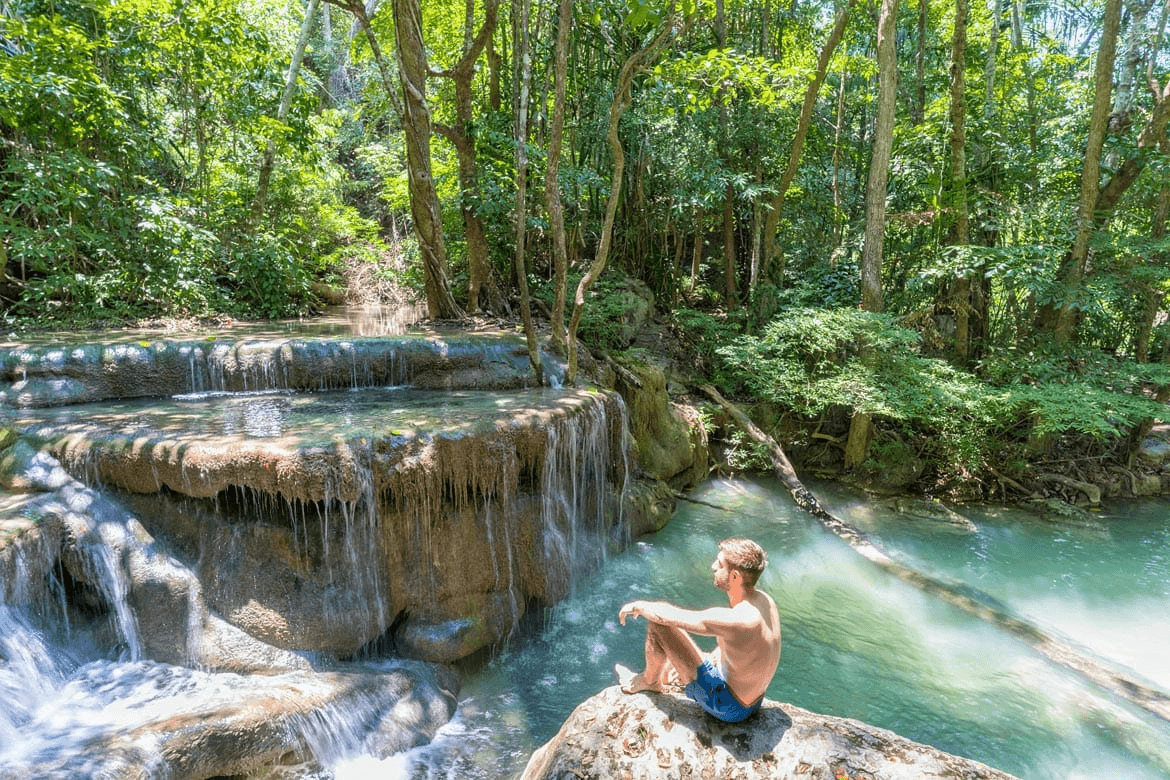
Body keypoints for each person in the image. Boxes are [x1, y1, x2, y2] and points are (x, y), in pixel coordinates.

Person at [615, 537, 780, 723]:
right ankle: (671, 675)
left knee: (658, 625)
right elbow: (742, 646)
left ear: (734, 577)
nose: (713, 567)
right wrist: (710, 660)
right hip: (754, 702)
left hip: (728, 707)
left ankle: (650, 682)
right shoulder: (765, 601)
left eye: (719, 564)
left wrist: (639, 605)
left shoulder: (736, 619)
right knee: (674, 661)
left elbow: (667, 617)